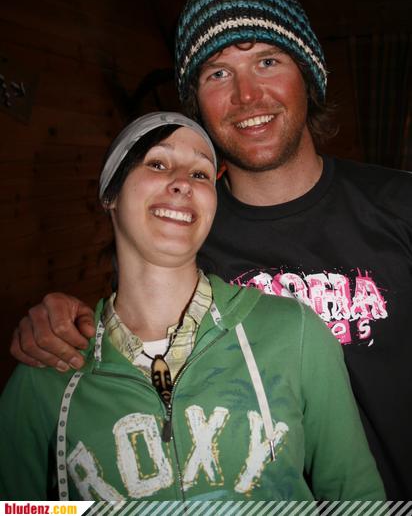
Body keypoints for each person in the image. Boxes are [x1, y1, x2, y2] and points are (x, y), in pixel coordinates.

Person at [10, 0, 412, 498]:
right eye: (218, 73)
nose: (247, 95)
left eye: (267, 61)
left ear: (309, 75)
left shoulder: (401, 206)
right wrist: (57, 324)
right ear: (196, 102)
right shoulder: (183, 235)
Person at [0, 111, 385, 501]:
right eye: (157, 164)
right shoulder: (49, 368)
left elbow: (357, 497)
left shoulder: (295, 333)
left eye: (201, 174)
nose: (183, 182)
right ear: (110, 194)